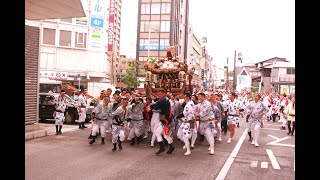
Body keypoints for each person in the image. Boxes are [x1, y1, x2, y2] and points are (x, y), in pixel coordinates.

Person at [148, 89, 175, 155]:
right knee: (158, 132)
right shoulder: (164, 99)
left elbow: (156, 105)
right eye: (158, 94)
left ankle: (170, 147)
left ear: (164, 94)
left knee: (165, 135)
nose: (158, 95)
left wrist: (150, 107)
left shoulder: (164, 100)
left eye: (160, 94)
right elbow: (157, 104)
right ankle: (163, 147)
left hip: (166, 121)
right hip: (164, 120)